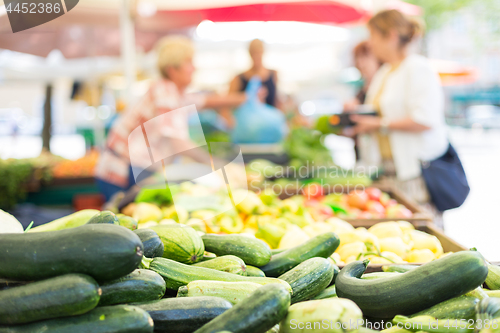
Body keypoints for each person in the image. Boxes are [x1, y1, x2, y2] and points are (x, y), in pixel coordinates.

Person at [95, 36, 247, 201]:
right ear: (172, 69)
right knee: (129, 218)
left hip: (132, 167)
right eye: (188, 63)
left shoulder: (175, 94)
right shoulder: (165, 91)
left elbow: (207, 101)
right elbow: (177, 142)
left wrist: (246, 98)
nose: (194, 68)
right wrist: (214, 163)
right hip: (122, 171)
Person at [349, 10, 449, 222]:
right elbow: (376, 112)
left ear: (391, 35)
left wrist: (379, 123)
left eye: (374, 35)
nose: (370, 43)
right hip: (388, 170)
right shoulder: (386, 71)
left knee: (422, 228)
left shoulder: (417, 67)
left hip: (414, 171)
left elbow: (425, 119)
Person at [344, 41, 382, 110]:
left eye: (364, 57)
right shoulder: (362, 90)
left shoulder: (384, 83)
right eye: (357, 58)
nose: (360, 63)